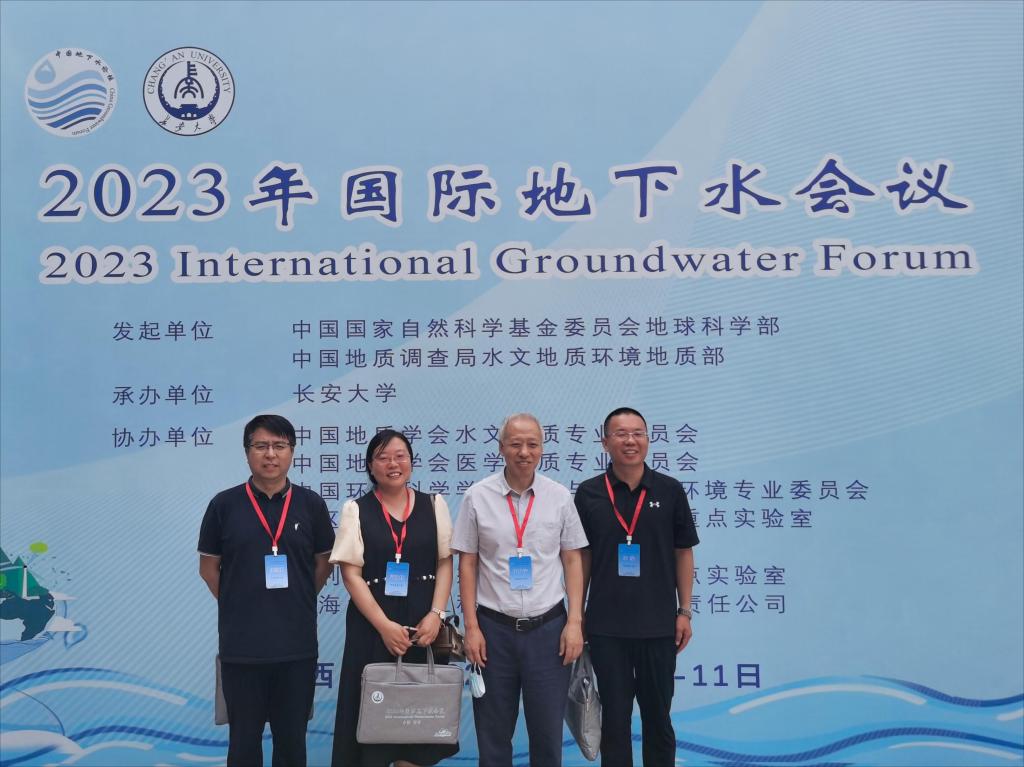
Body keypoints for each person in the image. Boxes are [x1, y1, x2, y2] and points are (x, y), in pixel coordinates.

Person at [451, 413, 588, 767]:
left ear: (542, 449)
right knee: (493, 737)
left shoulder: (559, 496)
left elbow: (572, 560)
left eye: (532, 444)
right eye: (515, 444)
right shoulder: (477, 496)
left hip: (549, 631)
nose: (524, 452)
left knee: (547, 736)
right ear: (501, 448)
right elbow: (467, 564)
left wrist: (575, 622)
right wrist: (471, 627)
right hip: (493, 632)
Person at [198, 414, 334, 767]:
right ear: (247, 452)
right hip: (241, 649)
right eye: (261, 446)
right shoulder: (223, 505)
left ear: (292, 452)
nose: (270, 454)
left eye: (279, 446)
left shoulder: (311, 505)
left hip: (296, 648)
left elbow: (323, 565)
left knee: (292, 745)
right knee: (243, 745)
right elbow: (208, 569)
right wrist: (240, 602)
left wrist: (296, 600)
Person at [574, 407, 700, 767]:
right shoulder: (589, 493)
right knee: (614, 721)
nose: (630, 441)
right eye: (621, 434)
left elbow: (683, 552)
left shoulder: (669, 490)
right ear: (605, 442)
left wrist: (684, 610)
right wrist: (576, 615)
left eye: (638, 433)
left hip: (658, 626)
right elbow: (581, 558)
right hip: (606, 628)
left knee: (658, 719)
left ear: (647, 439)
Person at [329, 429, 459, 767]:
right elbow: (351, 574)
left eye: (400, 456)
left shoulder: (434, 504)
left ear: (411, 463)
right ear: (370, 466)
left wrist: (436, 614)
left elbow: (445, 562)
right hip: (373, 627)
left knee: (419, 726)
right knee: (372, 723)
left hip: (424, 626)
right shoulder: (356, 510)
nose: (393, 464)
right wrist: (384, 626)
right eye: (383, 457)